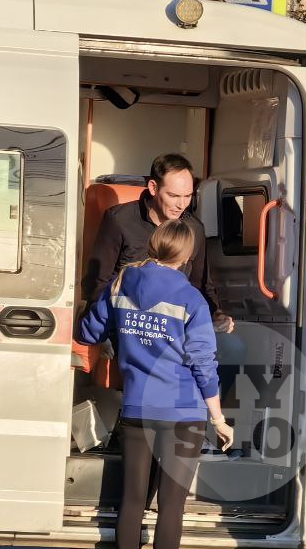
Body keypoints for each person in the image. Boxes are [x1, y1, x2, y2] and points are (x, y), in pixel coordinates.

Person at [78, 219, 235, 549]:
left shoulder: (121, 284)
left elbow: (88, 331)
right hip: (182, 414)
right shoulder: (191, 299)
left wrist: (123, 336)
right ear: (186, 255)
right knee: (171, 506)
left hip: (136, 410)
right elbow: (203, 363)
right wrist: (218, 417)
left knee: (131, 502)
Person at [82, 153, 244, 401]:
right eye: (174, 196)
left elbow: (201, 284)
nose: (182, 205)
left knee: (233, 348)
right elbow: (98, 281)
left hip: (179, 324)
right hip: (133, 323)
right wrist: (105, 326)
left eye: (188, 196)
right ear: (153, 188)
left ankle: (203, 426)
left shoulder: (193, 228)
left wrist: (217, 315)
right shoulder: (119, 221)